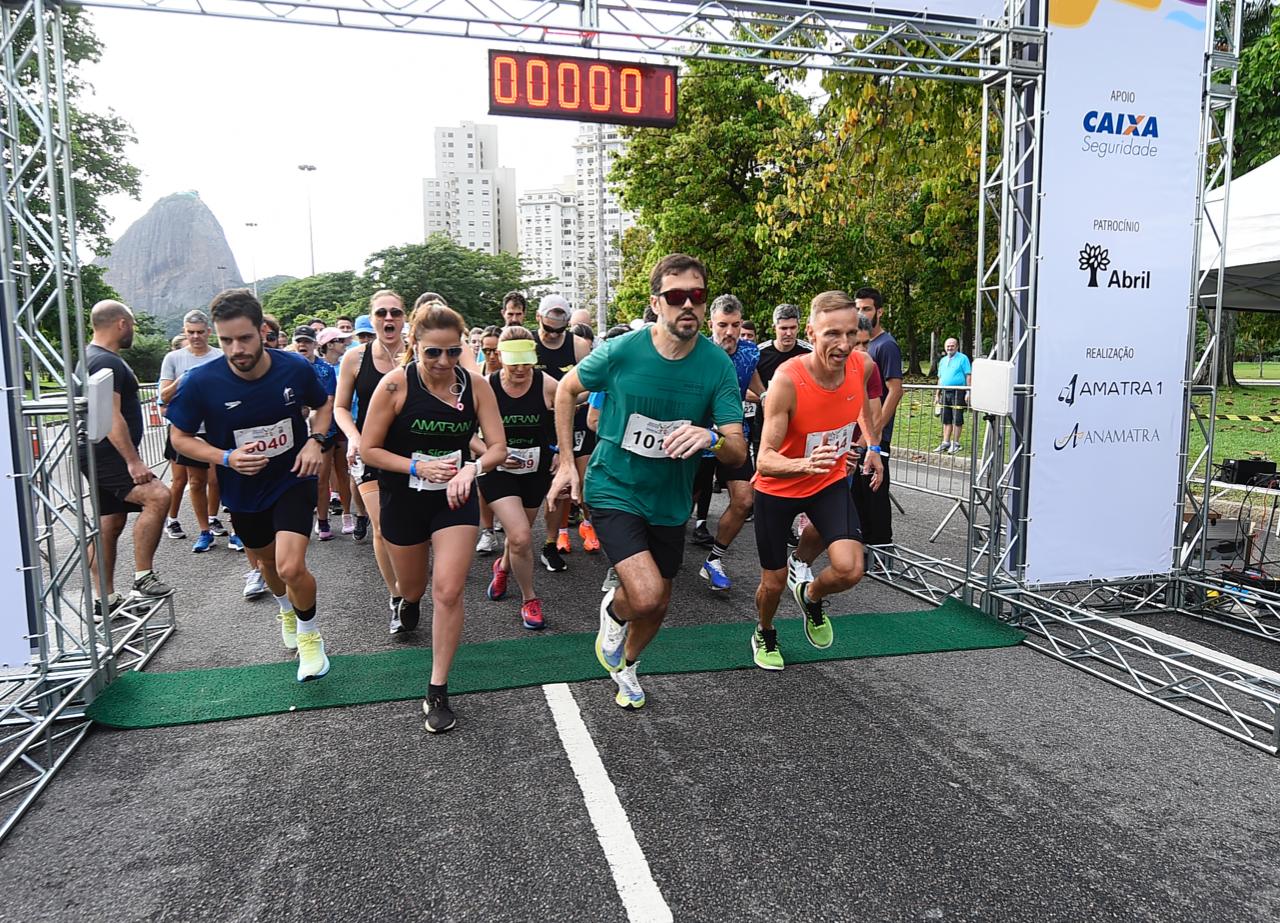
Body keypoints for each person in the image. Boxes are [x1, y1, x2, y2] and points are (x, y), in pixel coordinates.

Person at [548, 253, 746, 711]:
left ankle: (628, 667)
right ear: (656, 303)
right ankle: (613, 612)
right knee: (646, 593)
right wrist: (564, 463)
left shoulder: (716, 365)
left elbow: (737, 449)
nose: (688, 306)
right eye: (677, 296)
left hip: (670, 499)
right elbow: (567, 389)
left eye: (697, 296)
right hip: (614, 487)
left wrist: (710, 437)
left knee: (658, 605)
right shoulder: (623, 350)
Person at [167, 289, 333, 682]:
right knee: (269, 566)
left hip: (292, 477)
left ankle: (311, 639)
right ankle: (285, 609)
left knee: (291, 565)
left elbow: (323, 405)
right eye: (226, 341)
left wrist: (315, 441)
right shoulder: (200, 382)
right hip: (242, 489)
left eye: (244, 338)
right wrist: (226, 458)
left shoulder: (294, 368)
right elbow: (180, 438)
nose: (236, 349)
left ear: (262, 332)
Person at [360, 302, 508, 734]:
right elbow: (369, 450)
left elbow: (497, 447)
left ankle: (438, 688)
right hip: (402, 498)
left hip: (454, 499)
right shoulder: (394, 386)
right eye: (432, 353)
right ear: (415, 347)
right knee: (415, 586)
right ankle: (406, 602)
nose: (443, 362)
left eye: (452, 352)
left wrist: (472, 468)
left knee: (448, 590)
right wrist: (414, 466)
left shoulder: (476, 386)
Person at [750, 291, 884, 671]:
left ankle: (810, 595)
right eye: (831, 335)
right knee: (772, 584)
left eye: (850, 333)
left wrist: (871, 444)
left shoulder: (863, 364)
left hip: (827, 481)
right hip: (778, 489)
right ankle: (764, 629)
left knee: (850, 569)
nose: (842, 345)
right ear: (811, 332)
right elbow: (765, 460)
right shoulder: (787, 381)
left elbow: (861, 401)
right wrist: (805, 463)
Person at [78, 300, 174, 619]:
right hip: (108, 454)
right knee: (159, 496)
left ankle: (103, 600)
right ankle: (143, 576)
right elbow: (111, 415)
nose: (133, 330)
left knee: (110, 521)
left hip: (96, 452)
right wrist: (133, 462)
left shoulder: (92, 358)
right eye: (131, 324)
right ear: (121, 323)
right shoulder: (106, 361)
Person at [478, 327, 559, 629]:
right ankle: (530, 598)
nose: (522, 369)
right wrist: (491, 451)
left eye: (527, 361)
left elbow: (569, 407)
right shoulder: (486, 387)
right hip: (497, 472)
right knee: (522, 536)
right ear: (499, 357)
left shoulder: (546, 384)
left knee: (517, 536)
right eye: (515, 362)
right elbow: (469, 434)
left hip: (534, 471)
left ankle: (503, 567)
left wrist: (561, 450)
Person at [335, 291, 406, 609]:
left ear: (405, 318)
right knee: (381, 526)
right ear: (372, 318)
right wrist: (353, 437)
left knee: (412, 528)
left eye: (395, 313)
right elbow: (340, 408)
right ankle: (397, 596)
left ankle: (410, 583)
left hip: (410, 453)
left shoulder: (418, 355)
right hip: (368, 451)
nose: (388, 318)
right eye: (381, 313)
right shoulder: (355, 357)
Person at [691, 295, 763, 592]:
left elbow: (756, 386)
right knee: (685, 502)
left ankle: (714, 560)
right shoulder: (696, 350)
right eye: (723, 325)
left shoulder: (749, 352)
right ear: (711, 325)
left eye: (735, 325)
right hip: (696, 437)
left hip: (733, 437)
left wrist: (770, 398)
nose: (730, 332)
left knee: (745, 499)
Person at [160, 310, 242, 553]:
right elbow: (163, 395)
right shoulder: (173, 358)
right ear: (184, 332)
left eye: (199, 332)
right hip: (190, 429)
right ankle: (204, 531)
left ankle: (235, 530)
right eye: (190, 332)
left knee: (220, 479)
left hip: (220, 426)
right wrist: (185, 379)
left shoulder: (221, 355)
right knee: (196, 482)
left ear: (208, 332)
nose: (195, 337)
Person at [533, 294, 593, 568]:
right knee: (537, 487)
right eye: (547, 329)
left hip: (574, 421)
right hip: (540, 422)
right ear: (538, 320)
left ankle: (551, 542)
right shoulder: (529, 345)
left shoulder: (579, 345)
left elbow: (592, 383)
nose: (553, 336)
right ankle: (518, 542)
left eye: (560, 330)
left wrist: (571, 401)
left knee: (575, 485)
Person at [852, 287, 902, 547]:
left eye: (867, 308)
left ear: (879, 311)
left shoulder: (886, 345)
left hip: (873, 437)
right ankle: (860, 547)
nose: (862, 313)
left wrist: (874, 434)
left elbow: (895, 391)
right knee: (857, 494)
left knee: (875, 494)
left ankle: (882, 551)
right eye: (858, 308)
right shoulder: (855, 342)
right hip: (856, 433)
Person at [751, 304, 812, 461]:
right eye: (783, 328)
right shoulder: (758, 353)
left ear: (799, 327)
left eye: (793, 327)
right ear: (774, 328)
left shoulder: (809, 353)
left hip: (800, 420)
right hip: (766, 420)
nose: (788, 333)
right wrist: (765, 396)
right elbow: (743, 386)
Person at [475, 325, 505, 554]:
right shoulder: (476, 376)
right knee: (484, 486)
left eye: (496, 351)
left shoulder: (514, 374)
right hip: (484, 442)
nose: (492, 356)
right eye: (487, 351)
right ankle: (488, 531)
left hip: (512, 441)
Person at [935, 337, 972, 454]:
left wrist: (968, 391)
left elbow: (968, 375)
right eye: (948, 346)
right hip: (945, 392)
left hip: (958, 391)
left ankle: (955, 443)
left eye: (952, 345)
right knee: (946, 418)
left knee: (957, 418)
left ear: (957, 347)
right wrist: (937, 394)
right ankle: (946, 442)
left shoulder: (963, 359)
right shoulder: (943, 360)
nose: (949, 348)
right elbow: (940, 378)